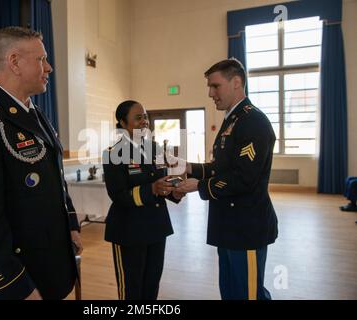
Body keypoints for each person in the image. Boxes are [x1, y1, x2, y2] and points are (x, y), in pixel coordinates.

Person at [0, 26, 82, 300]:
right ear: (14, 62)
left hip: (50, 270)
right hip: (16, 282)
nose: (50, 67)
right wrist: (16, 286)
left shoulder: (36, 115)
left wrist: (71, 225)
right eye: (41, 59)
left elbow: (54, 180)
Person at [176, 59, 278, 300]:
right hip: (229, 225)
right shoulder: (233, 119)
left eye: (215, 86)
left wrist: (199, 186)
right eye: (210, 87)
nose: (211, 93)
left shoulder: (253, 121)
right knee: (231, 292)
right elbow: (221, 167)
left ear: (236, 82)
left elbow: (244, 178)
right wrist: (188, 167)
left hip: (246, 226)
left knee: (249, 294)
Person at [102, 100, 185, 300]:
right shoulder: (113, 154)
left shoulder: (154, 149)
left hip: (157, 226)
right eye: (138, 117)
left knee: (151, 283)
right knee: (132, 287)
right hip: (129, 230)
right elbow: (118, 195)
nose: (144, 122)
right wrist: (152, 189)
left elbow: (160, 181)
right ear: (123, 123)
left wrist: (174, 192)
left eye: (145, 117)